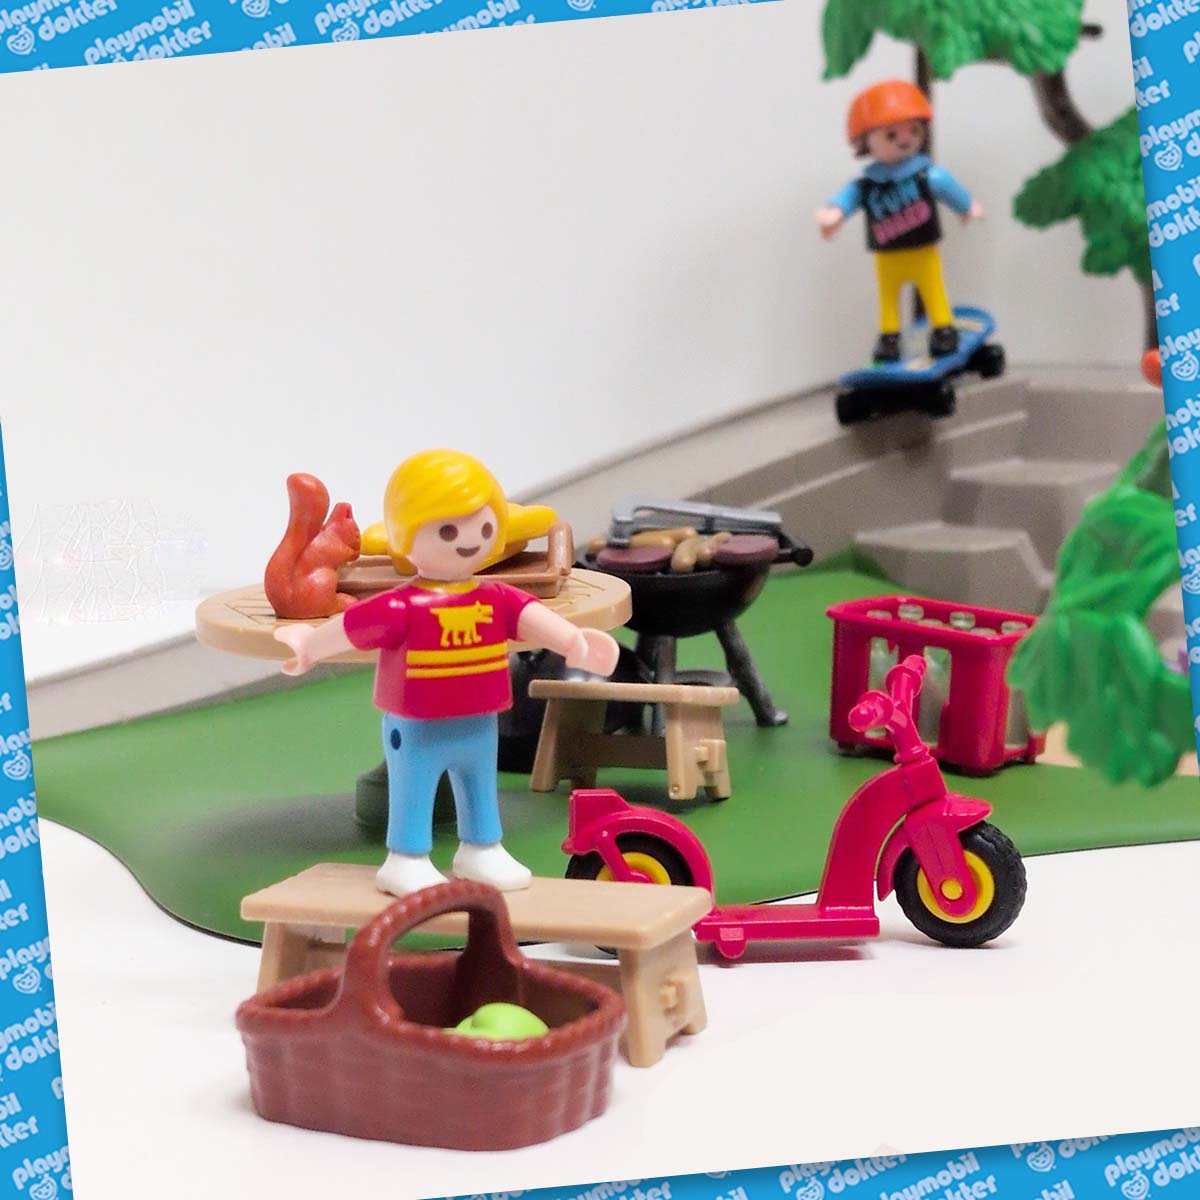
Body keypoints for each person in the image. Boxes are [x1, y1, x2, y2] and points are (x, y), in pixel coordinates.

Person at [274, 448, 619, 897]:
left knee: (480, 785)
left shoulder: (495, 597)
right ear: (405, 536)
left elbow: (532, 617)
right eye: (449, 530)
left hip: (479, 719)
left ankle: (482, 848)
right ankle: (406, 858)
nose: (469, 541)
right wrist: (308, 646)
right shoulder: (404, 605)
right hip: (417, 725)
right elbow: (353, 627)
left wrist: (574, 642)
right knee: (414, 788)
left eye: (485, 527)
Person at [816, 79, 985, 364]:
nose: (905, 139)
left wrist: (967, 206)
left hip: (923, 250)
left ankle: (943, 330)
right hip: (887, 255)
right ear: (865, 141)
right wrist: (834, 214)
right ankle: (889, 339)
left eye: (914, 130)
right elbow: (848, 198)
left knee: (933, 290)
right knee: (888, 298)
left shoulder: (926, 175)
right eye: (891, 134)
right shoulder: (867, 184)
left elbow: (948, 188)